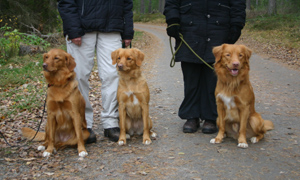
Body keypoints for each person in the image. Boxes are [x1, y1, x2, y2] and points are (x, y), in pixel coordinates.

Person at [164, 0, 246, 134]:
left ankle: (211, 117)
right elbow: (172, 3)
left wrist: (237, 24)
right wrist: (172, 20)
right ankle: (191, 116)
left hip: (219, 29)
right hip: (189, 29)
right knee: (191, 78)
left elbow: (238, 4)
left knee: (213, 78)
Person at [58, 0, 134, 142]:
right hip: (81, 26)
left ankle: (111, 123)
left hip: (113, 26)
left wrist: (127, 30)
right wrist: (73, 28)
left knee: (113, 75)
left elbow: (127, 4)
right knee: (79, 76)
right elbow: (66, 2)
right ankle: (82, 124)